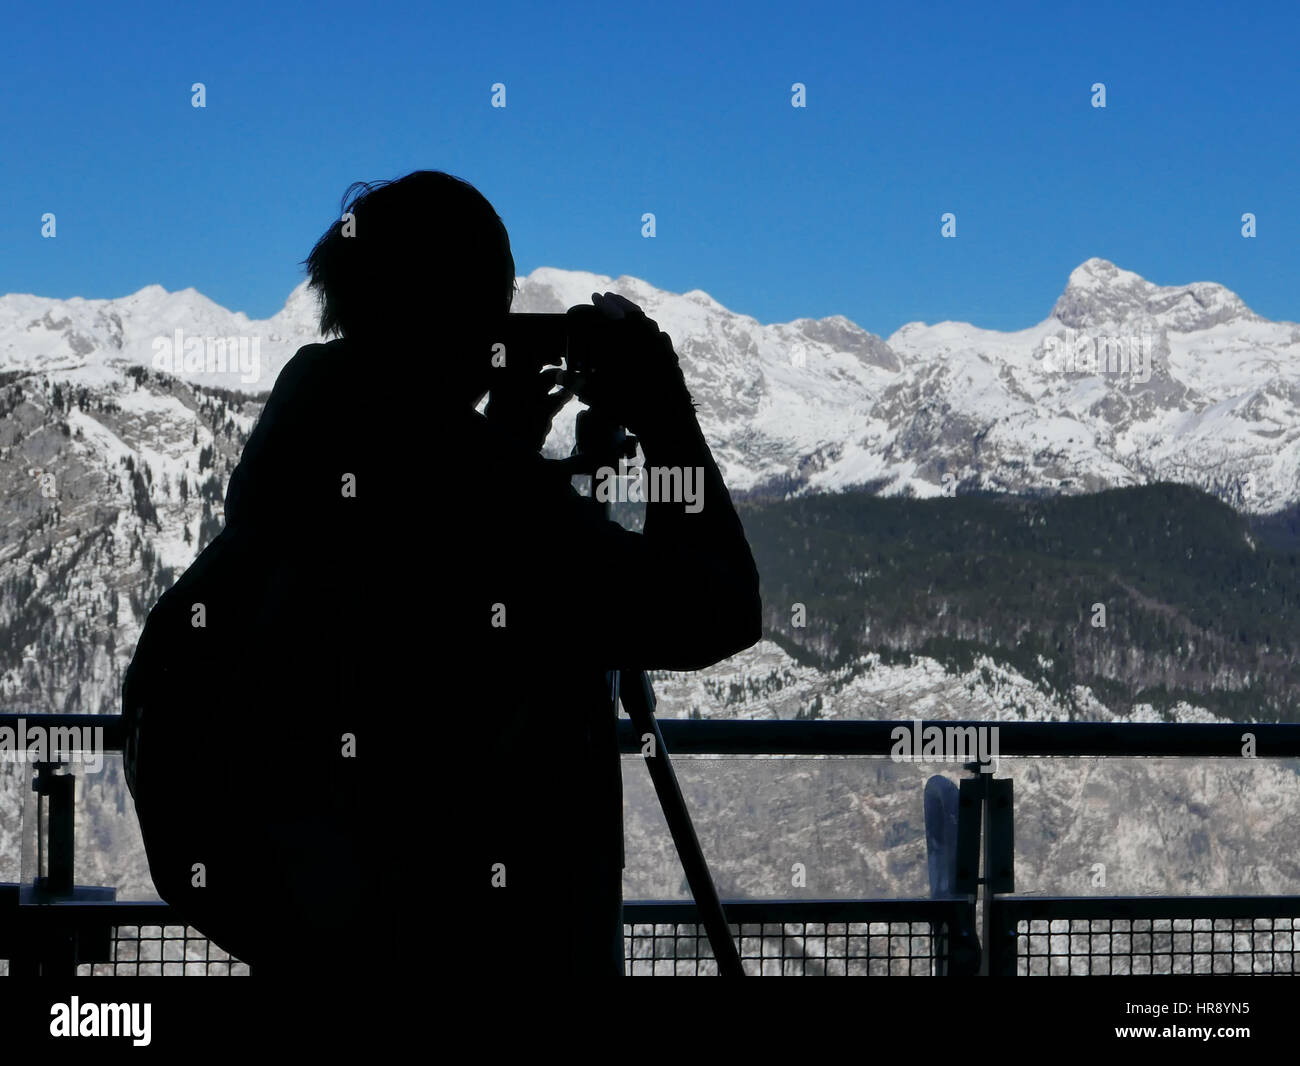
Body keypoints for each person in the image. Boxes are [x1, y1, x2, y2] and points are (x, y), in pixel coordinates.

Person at [123, 170, 762, 980]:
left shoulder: (301, 468)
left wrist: (500, 452)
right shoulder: (478, 503)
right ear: (457, 315)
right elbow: (719, 606)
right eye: (496, 305)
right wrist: (666, 413)